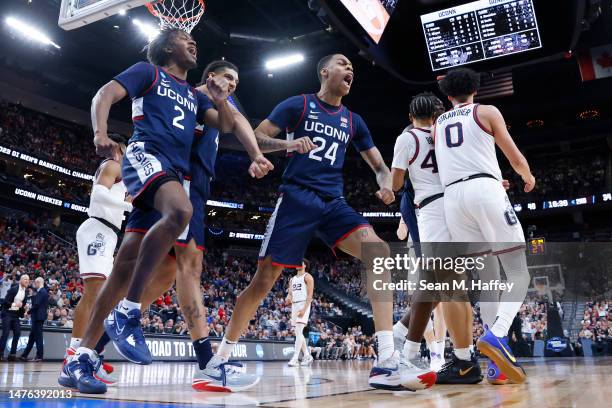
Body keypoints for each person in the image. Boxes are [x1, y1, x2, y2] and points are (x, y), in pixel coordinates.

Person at [201, 54, 403, 391]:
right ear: (325, 72)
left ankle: (385, 360)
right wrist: (288, 144)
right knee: (263, 281)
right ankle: (219, 360)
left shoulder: (354, 121)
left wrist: (385, 185)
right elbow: (257, 135)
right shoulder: (299, 104)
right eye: (343, 63)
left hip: (333, 203)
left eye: (352, 66)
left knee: (379, 253)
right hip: (296, 198)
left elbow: (380, 166)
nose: (350, 68)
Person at [62, 28, 235, 394]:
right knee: (180, 211)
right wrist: (100, 133)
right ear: (167, 46)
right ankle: (128, 311)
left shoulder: (193, 93)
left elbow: (226, 125)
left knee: (124, 265)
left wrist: (218, 98)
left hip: (170, 173)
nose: (193, 43)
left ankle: (80, 359)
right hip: (147, 157)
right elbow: (104, 94)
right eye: (185, 39)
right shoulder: (148, 72)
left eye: (194, 41)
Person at [105, 59, 271, 393]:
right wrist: (256, 153)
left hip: (196, 186)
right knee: (181, 266)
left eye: (236, 81)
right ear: (210, 77)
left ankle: (94, 348)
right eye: (227, 77)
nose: (232, 84)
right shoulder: (192, 96)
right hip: (177, 181)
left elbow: (240, 127)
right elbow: (237, 126)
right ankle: (208, 362)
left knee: (166, 275)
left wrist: (283, 147)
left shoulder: (221, 103)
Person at [434, 68, 535, 384]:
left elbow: (456, 161)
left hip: (453, 198)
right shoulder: (487, 111)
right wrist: (527, 176)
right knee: (518, 271)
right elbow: (513, 155)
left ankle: (495, 368)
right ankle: (499, 334)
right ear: (475, 89)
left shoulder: (438, 124)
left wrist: (487, 178)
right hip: (484, 192)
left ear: (448, 95)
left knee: (488, 278)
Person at [60, 133, 131, 384]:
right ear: (122, 148)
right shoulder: (112, 165)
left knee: (105, 297)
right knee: (95, 295)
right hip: (97, 230)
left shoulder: (125, 175)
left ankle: (88, 353)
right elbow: (98, 197)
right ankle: (73, 356)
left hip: (108, 234)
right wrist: (128, 206)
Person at [286, 260, 314, 367]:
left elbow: (310, 296)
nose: (298, 264)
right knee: (297, 332)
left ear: (305, 265)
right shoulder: (292, 279)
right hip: (294, 305)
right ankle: (307, 355)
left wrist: (304, 309)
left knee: (298, 330)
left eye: (300, 263)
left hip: (304, 304)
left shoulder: (308, 277)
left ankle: (295, 358)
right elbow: (290, 294)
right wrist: (288, 299)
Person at [0, 275, 29, 361]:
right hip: (7, 313)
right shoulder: (14, 289)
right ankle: (0, 354)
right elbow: (5, 301)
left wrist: (24, 310)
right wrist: (15, 304)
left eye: (28, 279)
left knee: (17, 333)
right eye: (25, 279)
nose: (27, 281)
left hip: (16, 315)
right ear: (20, 280)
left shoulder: (26, 292)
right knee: (5, 334)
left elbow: (22, 305)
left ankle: (12, 354)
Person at [20, 277, 49, 362]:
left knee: (38, 338)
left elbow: (36, 305)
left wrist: (27, 312)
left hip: (38, 318)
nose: (34, 285)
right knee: (32, 338)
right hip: (37, 318)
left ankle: (39, 356)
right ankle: (24, 355)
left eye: (35, 283)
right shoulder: (42, 292)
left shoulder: (42, 292)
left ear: (38, 283)